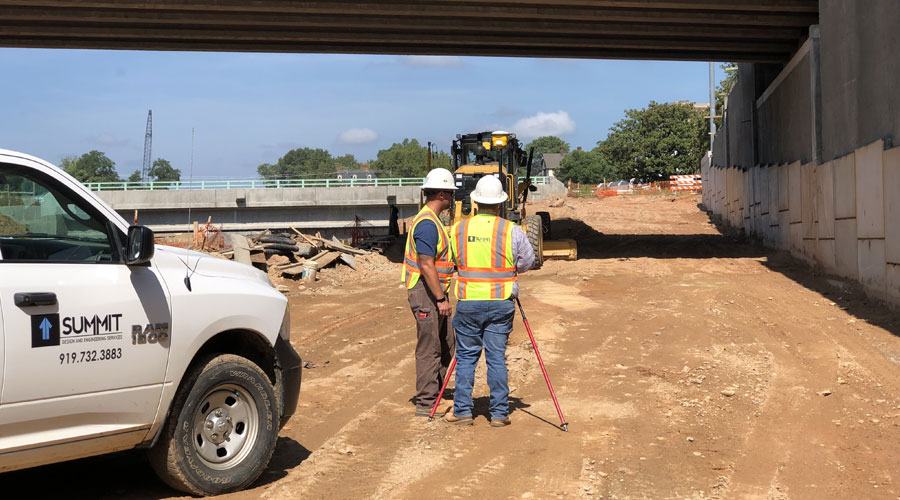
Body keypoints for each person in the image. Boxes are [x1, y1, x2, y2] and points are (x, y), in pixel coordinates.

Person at [445, 175, 535, 427]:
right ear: (499, 204)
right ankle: (499, 413)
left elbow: (452, 259)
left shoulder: (458, 230)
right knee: (496, 358)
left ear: (475, 201)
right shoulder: (512, 230)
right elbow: (528, 261)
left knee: (466, 357)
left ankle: (462, 411)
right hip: (500, 300)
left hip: (469, 300)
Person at [401, 168, 458, 416]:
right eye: (452, 193)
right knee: (429, 347)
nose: (454, 198)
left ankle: (438, 393)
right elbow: (426, 263)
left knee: (447, 343)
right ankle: (426, 402)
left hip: (433, 291)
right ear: (443, 193)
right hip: (426, 293)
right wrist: (440, 298)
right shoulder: (427, 224)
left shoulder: (432, 220)